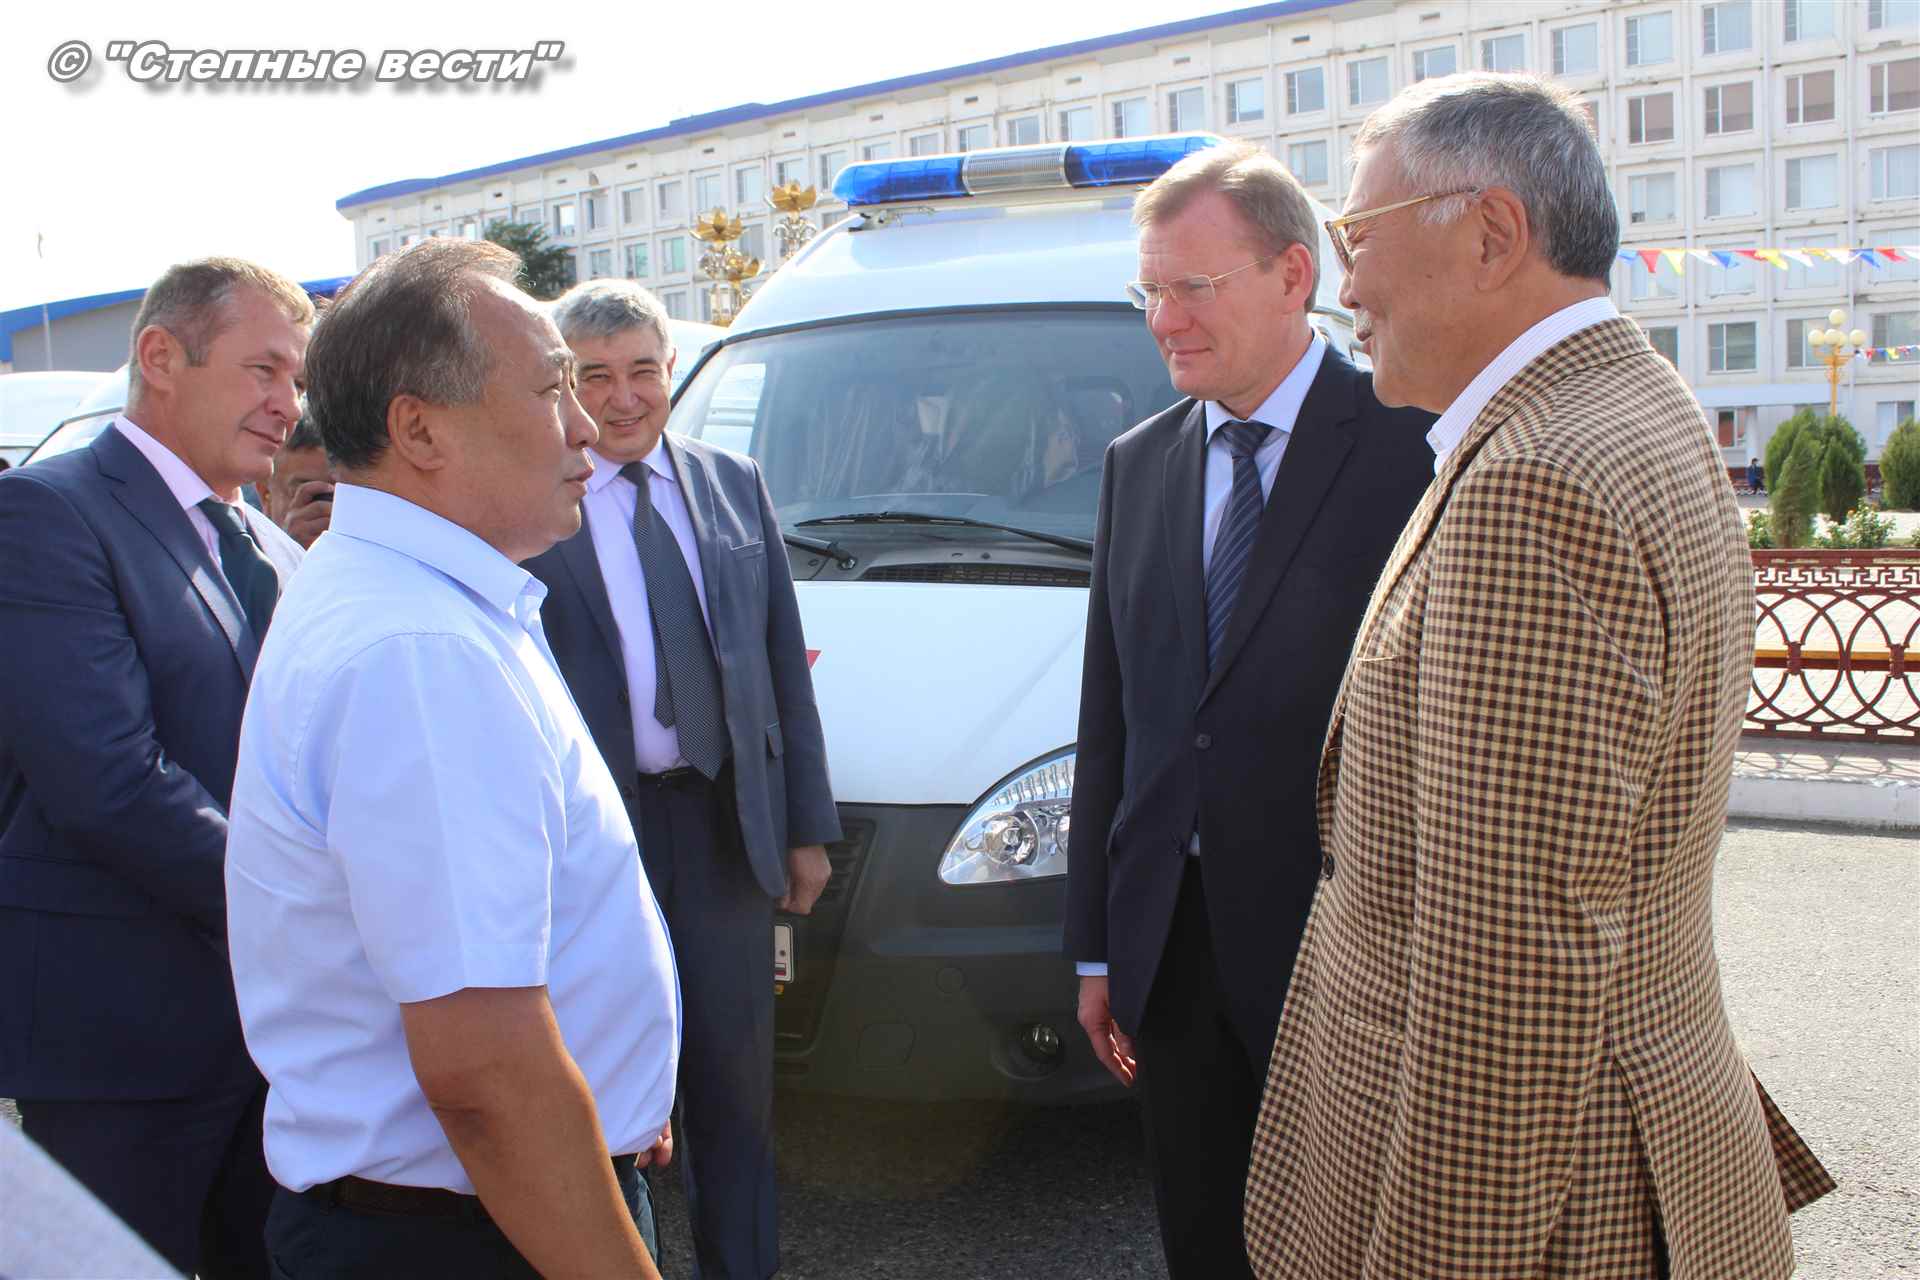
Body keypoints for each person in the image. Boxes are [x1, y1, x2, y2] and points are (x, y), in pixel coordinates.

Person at [1243, 73, 1834, 1280]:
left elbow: (1508, 974)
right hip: (1625, 1140)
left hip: (1557, 1210)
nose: (1347, 288)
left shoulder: (1534, 482)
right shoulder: (1633, 401)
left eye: (1358, 238)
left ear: (1492, 233)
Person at [225, 240, 679, 1279]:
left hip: (474, 1209)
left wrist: (613, 1085)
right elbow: (485, 1072)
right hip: (461, 1233)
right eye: (552, 388)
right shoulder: (419, 648)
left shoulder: (415, 599)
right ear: (419, 428)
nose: (585, 425)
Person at [1065, 141, 1435, 1279]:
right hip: (1170, 952)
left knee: (1344, 1243)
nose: (1163, 320)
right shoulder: (1138, 463)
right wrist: (1096, 946)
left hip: (1344, 948)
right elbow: (1114, 718)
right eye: (1148, 291)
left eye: (1192, 286)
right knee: (1203, 1240)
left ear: (1292, 275)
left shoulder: (1413, 440)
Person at [0, 257, 312, 1278]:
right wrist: (304, 910)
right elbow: (107, 778)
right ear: (161, 356)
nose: (288, 404)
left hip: (268, 1034)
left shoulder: (264, 541)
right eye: (264, 369)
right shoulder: (46, 514)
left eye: (297, 378)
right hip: (121, 1041)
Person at [527, 279, 839, 1280]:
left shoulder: (732, 482)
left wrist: (805, 825)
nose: (623, 399)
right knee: (604, 1091)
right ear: (563, 385)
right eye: (595, 377)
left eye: (642, 372)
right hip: (596, 843)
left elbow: (781, 663)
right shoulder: (534, 501)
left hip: (720, 831)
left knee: (735, 1097)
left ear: (672, 370)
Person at [261, 414, 334, 546]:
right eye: (315, 496)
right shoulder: (233, 552)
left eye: (342, 494)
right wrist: (291, 548)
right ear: (265, 495)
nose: (329, 509)